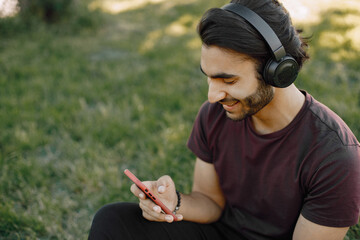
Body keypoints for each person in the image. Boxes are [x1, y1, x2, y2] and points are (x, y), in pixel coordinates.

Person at [88, 0, 360, 239]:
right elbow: (210, 202)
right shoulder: (215, 115)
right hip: (219, 233)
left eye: (227, 80)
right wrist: (174, 201)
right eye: (208, 76)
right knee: (112, 221)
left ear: (278, 72)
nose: (212, 96)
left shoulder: (335, 157)